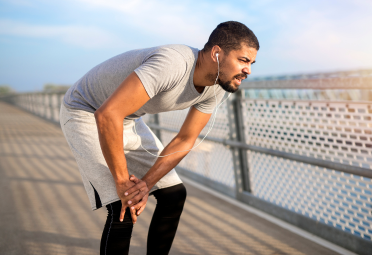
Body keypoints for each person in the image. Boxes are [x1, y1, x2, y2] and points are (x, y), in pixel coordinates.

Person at [60, 21, 259, 255]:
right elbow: (107, 115)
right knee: (123, 205)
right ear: (216, 53)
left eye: (252, 63)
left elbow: (185, 139)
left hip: (126, 117)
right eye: (243, 60)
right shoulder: (172, 63)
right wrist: (124, 183)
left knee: (173, 195)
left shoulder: (217, 85)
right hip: (86, 110)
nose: (248, 70)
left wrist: (147, 183)